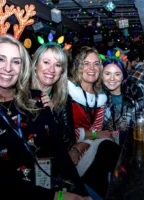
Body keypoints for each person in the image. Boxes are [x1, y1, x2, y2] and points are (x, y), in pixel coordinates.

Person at [0, 34, 91, 200]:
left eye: (15, 61)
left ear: (22, 66)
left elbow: (61, 153)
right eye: (1, 59)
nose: (8, 68)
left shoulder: (37, 99)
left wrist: (81, 193)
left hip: (50, 181)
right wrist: (58, 197)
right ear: (34, 66)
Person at [68, 46, 121, 198]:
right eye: (86, 63)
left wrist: (82, 143)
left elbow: (96, 132)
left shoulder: (100, 98)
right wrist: (94, 135)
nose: (92, 68)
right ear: (78, 66)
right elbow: (68, 133)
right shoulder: (67, 93)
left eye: (96, 64)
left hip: (87, 149)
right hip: (69, 155)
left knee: (112, 151)